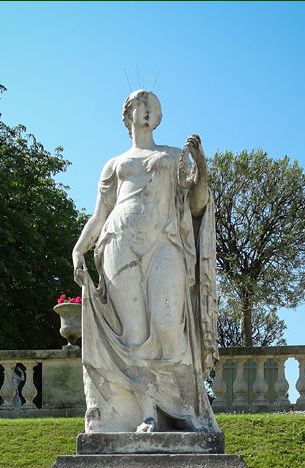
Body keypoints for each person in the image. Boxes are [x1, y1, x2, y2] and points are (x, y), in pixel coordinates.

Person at [72, 89, 220, 434]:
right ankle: (149, 412)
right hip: (118, 244)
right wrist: (79, 249)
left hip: (164, 243)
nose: (148, 109)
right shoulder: (115, 164)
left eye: (153, 105)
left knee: (170, 326)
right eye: (142, 104)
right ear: (128, 115)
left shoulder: (172, 157)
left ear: (159, 116)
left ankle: (185, 410)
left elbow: (197, 206)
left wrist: (201, 168)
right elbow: (99, 215)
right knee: (135, 334)